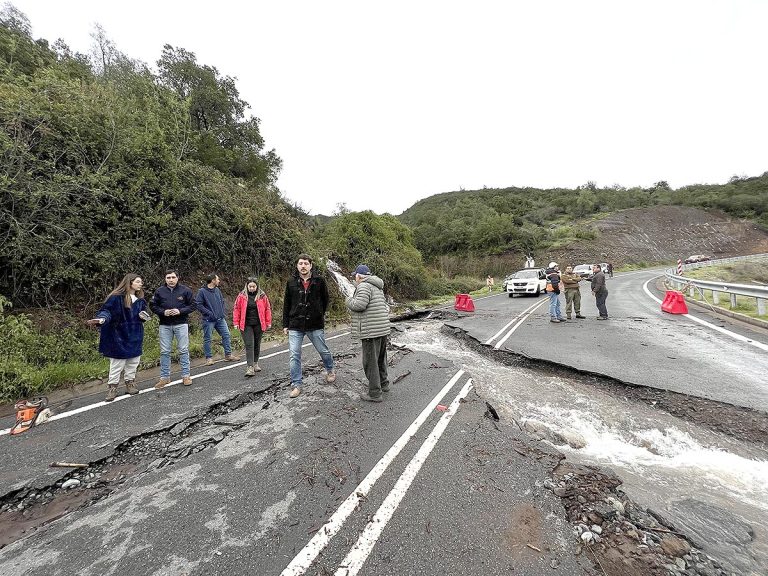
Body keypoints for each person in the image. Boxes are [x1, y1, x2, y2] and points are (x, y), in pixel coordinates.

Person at [86, 273, 151, 401]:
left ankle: (130, 383)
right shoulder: (116, 298)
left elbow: (142, 315)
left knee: (133, 361)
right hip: (118, 335)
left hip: (135, 334)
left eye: (141, 282)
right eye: (138, 281)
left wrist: (143, 317)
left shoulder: (141, 300)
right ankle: (113, 388)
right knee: (117, 363)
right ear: (130, 282)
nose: (140, 284)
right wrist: (102, 319)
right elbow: (106, 311)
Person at [282, 254, 335, 398]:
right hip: (295, 324)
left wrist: (318, 313)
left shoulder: (319, 281)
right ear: (297, 266)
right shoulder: (291, 281)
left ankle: (330, 369)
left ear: (311, 265)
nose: (303, 266)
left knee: (323, 350)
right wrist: (285, 323)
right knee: (294, 354)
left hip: (314, 323)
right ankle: (296, 384)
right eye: (300, 263)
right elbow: (287, 303)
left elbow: (325, 300)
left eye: (306, 263)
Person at [346, 265, 391, 402]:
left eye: (355, 275)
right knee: (380, 359)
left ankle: (375, 393)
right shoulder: (377, 286)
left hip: (370, 330)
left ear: (359, 276)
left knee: (370, 362)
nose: (355, 277)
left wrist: (348, 300)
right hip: (381, 328)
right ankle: (384, 384)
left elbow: (359, 305)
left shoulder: (364, 286)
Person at [150, 269, 196, 388]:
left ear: (177, 278)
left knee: (183, 349)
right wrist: (163, 312)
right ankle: (165, 377)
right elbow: (153, 306)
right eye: (168, 278)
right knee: (165, 351)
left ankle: (186, 375)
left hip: (181, 323)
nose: (171, 280)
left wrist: (180, 311)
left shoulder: (185, 290)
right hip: (164, 325)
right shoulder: (159, 291)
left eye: (173, 277)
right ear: (165, 279)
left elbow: (193, 305)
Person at [195, 273, 239, 366]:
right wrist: (209, 313)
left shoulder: (217, 290)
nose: (219, 281)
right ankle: (209, 358)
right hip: (208, 320)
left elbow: (221, 301)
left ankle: (228, 355)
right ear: (213, 280)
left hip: (220, 318)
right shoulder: (202, 291)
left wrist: (222, 312)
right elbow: (198, 305)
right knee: (208, 338)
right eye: (217, 279)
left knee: (226, 335)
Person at [233, 277, 272, 377]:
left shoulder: (262, 296)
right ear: (247, 286)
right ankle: (250, 367)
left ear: (257, 286)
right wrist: (236, 322)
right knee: (249, 344)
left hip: (259, 324)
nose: (251, 288)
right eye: (250, 286)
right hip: (246, 324)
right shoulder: (241, 296)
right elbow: (236, 309)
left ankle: (255, 363)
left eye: (253, 286)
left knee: (257, 344)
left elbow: (267, 308)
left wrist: (268, 322)